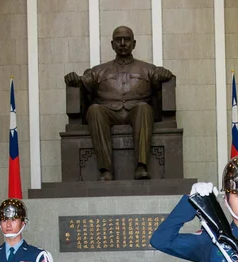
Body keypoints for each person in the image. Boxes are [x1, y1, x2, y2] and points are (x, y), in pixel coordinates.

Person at [64, 26, 173, 181]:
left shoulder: (148, 69)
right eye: (118, 40)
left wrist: (165, 74)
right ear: (112, 44)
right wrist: (74, 79)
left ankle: (141, 167)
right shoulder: (99, 70)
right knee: (95, 110)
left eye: (127, 39)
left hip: (137, 112)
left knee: (143, 108)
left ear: (134, 44)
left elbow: (162, 80)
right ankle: (105, 169)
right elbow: (82, 83)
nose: (122, 43)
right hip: (109, 112)